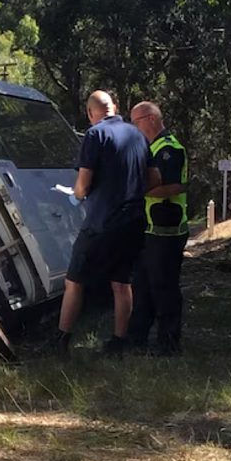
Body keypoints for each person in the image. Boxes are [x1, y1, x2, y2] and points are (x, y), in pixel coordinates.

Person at [57, 91, 160, 358]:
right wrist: (131, 192)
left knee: (74, 281)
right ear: (114, 108)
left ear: (91, 114)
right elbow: (155, 178)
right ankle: (118, 343)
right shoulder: (137, 134)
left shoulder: (95, 134)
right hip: (134, 221)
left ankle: (61, 340)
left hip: (102, 222)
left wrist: (76, 195)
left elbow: (84, 182)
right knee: (122, 284)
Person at [124, 102, 188, 356]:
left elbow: (174, 187)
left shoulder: (169, 149)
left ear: (151, 119)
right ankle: (137, 337)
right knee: (141, 285)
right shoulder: (149, 148)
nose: (133, 127)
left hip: (166, 231)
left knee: (164, 286)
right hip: (148, 230)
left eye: (136, 121)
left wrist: (138, 193)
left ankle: (168, 343)